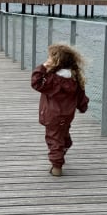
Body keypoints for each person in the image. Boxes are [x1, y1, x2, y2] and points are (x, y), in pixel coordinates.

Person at [31, 44, 89, 177]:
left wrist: (43, 67)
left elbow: (36, 83)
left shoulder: (52, 79)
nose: (47, 59)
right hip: (67, 115)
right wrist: (82, 106)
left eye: (49, 57)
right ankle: (66, 145)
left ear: (56, 61)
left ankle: (57, 167)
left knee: (53, 139)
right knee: (62, 133)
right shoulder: (74, 77)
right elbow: (81, 95)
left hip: (52, 115)